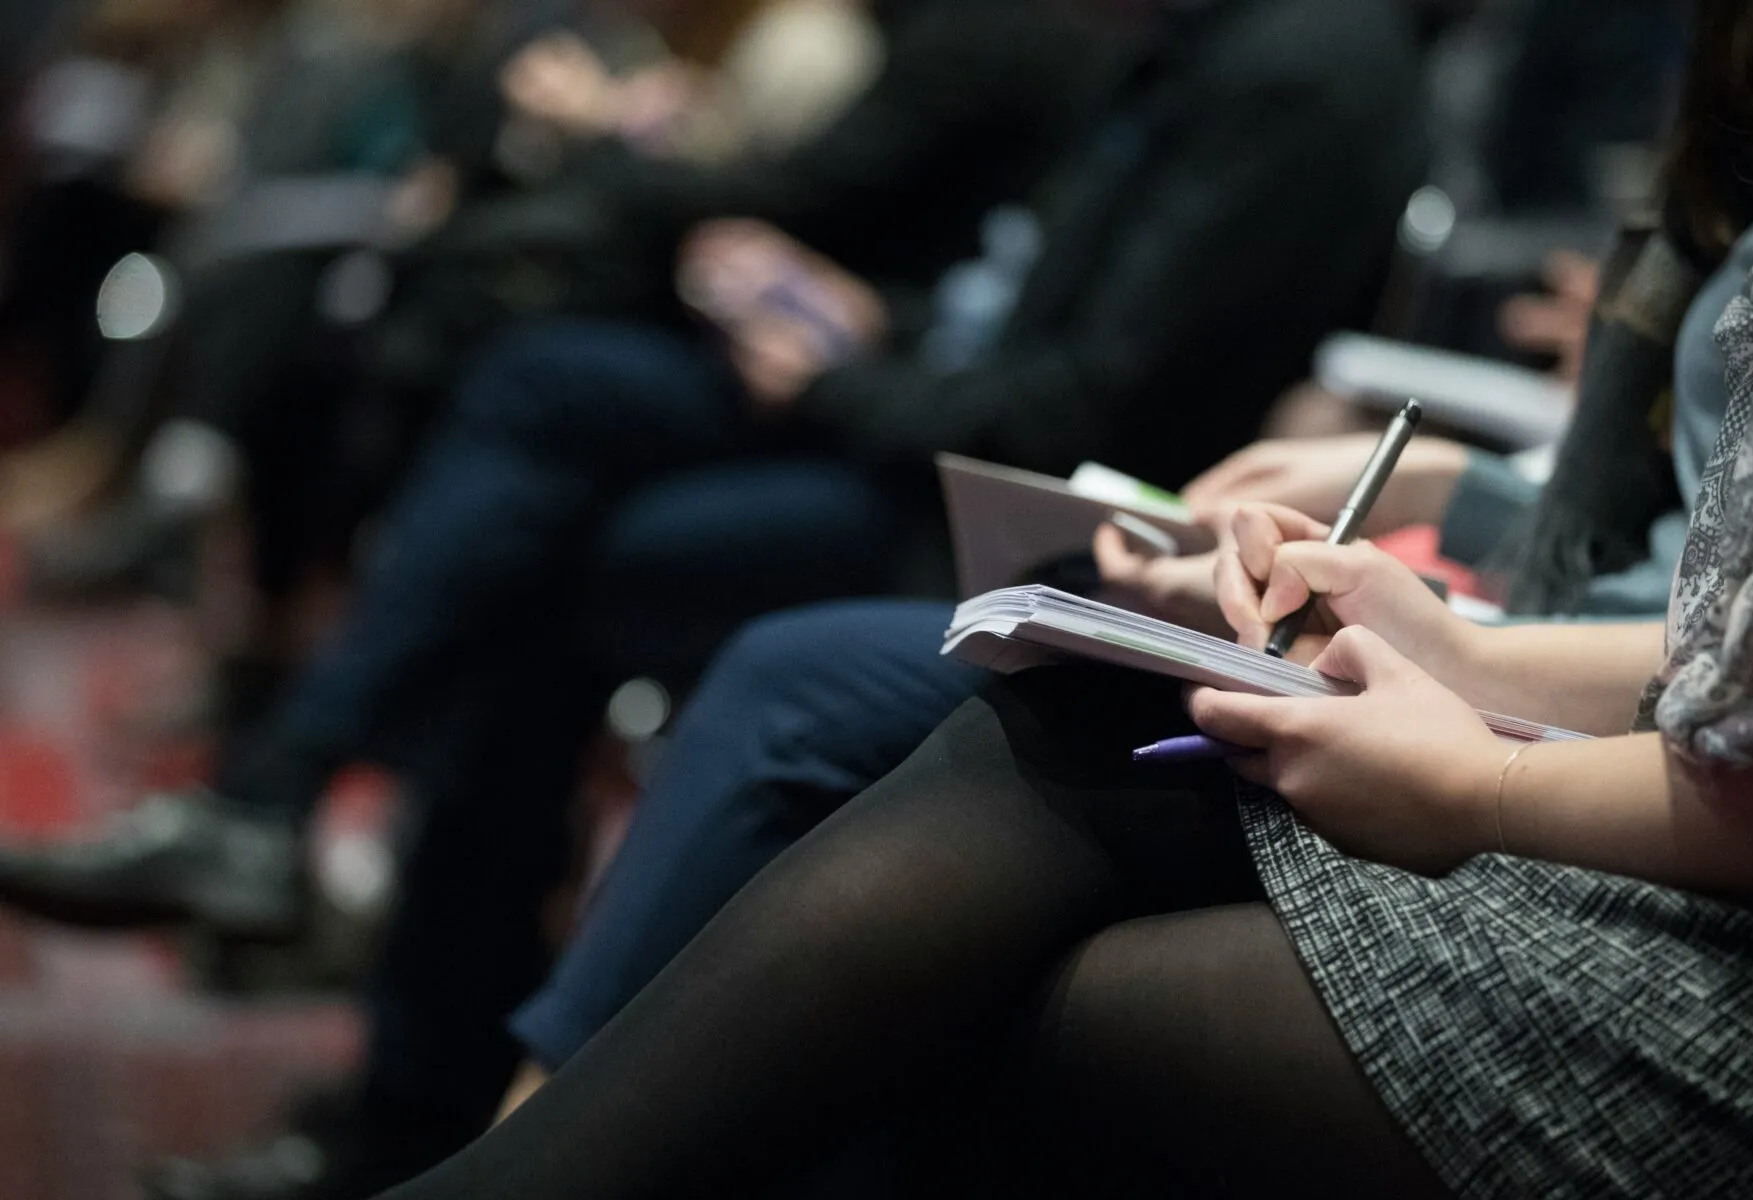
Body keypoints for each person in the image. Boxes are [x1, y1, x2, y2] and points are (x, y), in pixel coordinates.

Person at [372, 0, 1753, 1193]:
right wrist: (1439, 622)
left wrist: (1491, 759)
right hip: (1685, 756)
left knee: (952, 937)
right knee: (1029, 699)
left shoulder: (1307, 63)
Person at [3, 1, 1432, 1197]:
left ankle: (444, 1097)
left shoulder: (1289, 63)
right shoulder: (1182, 33)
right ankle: (399, 1042)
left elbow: (1084, 404)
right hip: (941, 432)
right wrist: (867, 321)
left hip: (1052, 526)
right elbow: (1011, 305)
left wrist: (836, 370)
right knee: (538, 401)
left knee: (569, 567)